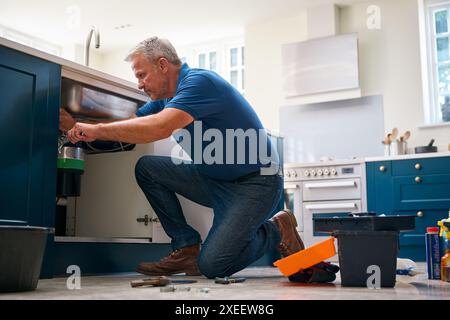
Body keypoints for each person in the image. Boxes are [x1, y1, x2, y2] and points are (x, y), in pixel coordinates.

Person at [62, 36, 304, 278]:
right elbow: (132, 128)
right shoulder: (166, 99)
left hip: (256, 183)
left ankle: (277, 228)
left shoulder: (200, 82)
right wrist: (80, 127)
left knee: (212, 266)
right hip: (214, 180)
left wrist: (96, 129)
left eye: (141, 75)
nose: (139, 85)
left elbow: (159, 128)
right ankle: (186, 247)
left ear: (163, 65)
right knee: (148, 168)